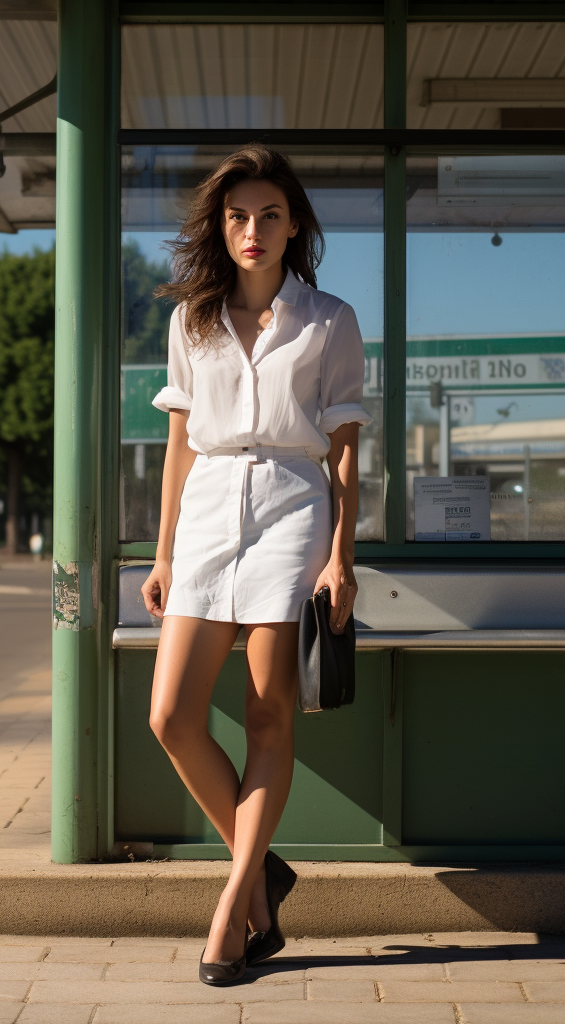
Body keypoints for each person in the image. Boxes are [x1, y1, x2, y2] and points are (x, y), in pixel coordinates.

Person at [141, 144, 369, 985]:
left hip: (290, 507)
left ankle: (233, 907)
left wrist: (341, 558)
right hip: (205, 514)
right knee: (171, 716)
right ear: (221, 226)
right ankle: (265, 873)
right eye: (238, 215)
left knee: (270, 715)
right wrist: (162, 550)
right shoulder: (190, 319)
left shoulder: (330, 320)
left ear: (294, 224)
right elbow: (175, 446)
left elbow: (344, 452)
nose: (253, 230)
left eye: (270, 214)